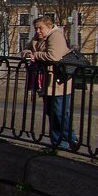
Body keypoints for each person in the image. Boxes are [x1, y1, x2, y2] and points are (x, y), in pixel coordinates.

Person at [22, 16, 78, 149]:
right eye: (36, 28)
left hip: (59, 82)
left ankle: (70, 139)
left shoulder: (56, 36)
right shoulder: (37, 38)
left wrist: (35, 55)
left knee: (60, 112)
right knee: (51, 112)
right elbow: (25, 50)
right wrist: (28, 53)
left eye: (40, 28)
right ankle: (57, 141)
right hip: (46, 82)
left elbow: (54, 56)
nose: (38, 31)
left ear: (49, 26)